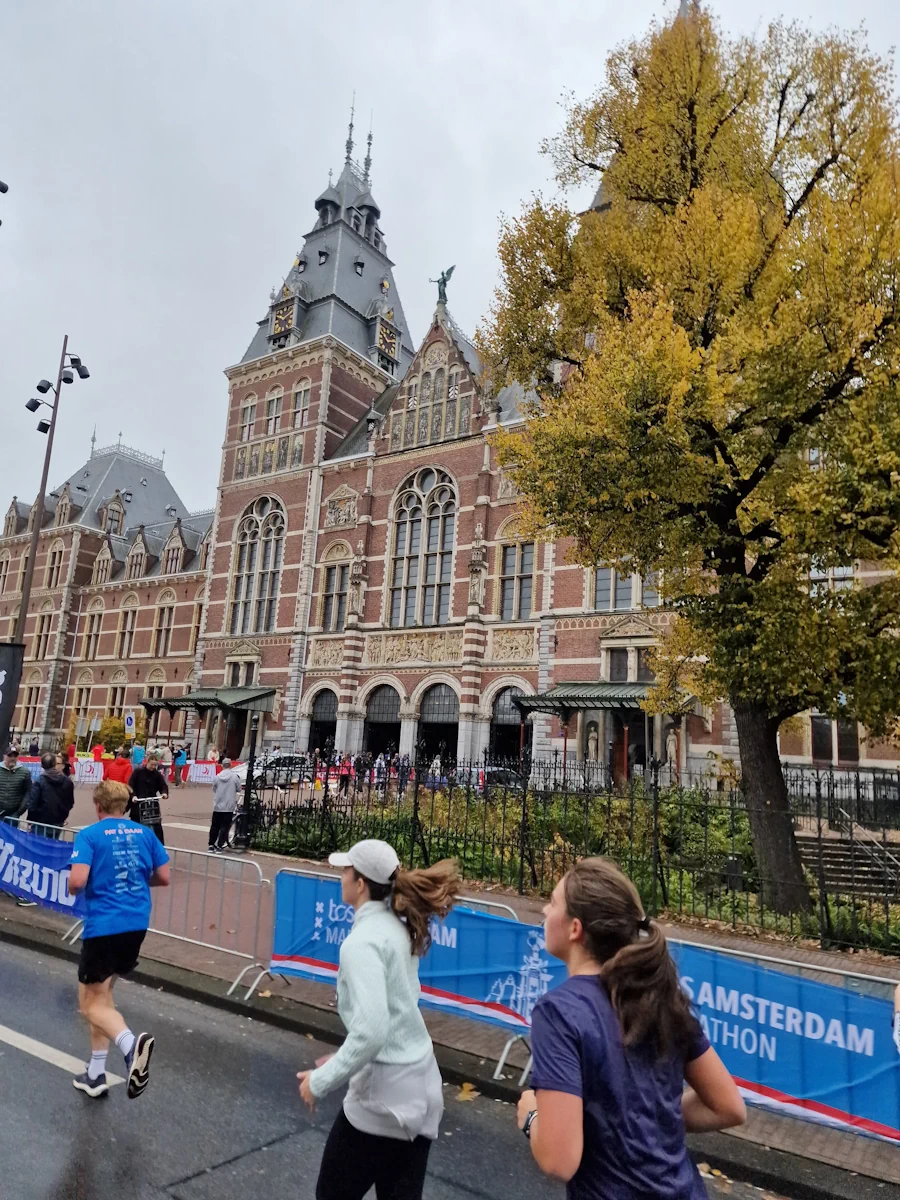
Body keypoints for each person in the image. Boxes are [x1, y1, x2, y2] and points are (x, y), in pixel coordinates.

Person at [517, 857, 745, 1198]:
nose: (545, 912)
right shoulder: (661, 996)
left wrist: (532, 1116)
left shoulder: (558, 1013)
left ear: (575, 928)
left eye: (552, 903)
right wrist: (646, 1119)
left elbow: (558, 1160)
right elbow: (728, 1106)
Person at [297, 840, 460, 1200]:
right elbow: (401, 1003)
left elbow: (372, 1031)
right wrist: (346, 1060)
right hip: (422, 1086)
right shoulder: (397, 925)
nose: (340, 877)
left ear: (360, 884)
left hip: (383, 1098)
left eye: (345, 871)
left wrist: (321, 1081)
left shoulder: (361, 943)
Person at [68, 780, 170, 1100]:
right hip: (136, 923)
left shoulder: (89, 835)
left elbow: (78, 881)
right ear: (125, 807)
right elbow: (164, 877)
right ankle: (96, 1074)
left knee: (89, 1005)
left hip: (105, 925)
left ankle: (130, 1048)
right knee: (104, 999)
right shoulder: (145, 834)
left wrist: (74, 887)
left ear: (98, 806)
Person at [27, 752, 75, 838]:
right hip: (57, 823)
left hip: (41, 823)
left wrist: (31, 821)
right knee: (52, 848)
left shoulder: (39, 781)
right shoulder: (68, 782)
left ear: (42, 766)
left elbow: (32, 804)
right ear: (53, 764)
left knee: (38, 847)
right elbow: (70, 803)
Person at [127, 752, 169, 845]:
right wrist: (133, 796)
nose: (153, 767)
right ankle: (134, 843)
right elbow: (130, 785)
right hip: (138, 801)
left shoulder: (157, 774)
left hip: (152, 802)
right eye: (152, 764)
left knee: (157, 824)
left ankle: (160, 845)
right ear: (147, 762)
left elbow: (163, 785)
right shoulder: (138, 772)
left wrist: (164, 793)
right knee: (136, 822)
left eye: (155, 765)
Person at [208, 757, 240, 852]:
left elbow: (214, 788)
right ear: (230, 765)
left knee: (214, 826)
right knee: (225, 827)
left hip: (218, 805)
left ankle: (211, 844)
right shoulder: (234, 777)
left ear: (222, 765)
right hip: (229, 806)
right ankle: (219, 845)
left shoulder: (217, 776)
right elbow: (239, 788)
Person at [0, 746, 32, 824]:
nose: (12, 758)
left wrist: (18, 812)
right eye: (10, 756)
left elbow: (28, 793)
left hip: (13, 815)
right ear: (4, 756)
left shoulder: (25, 772)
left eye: (15, 756)